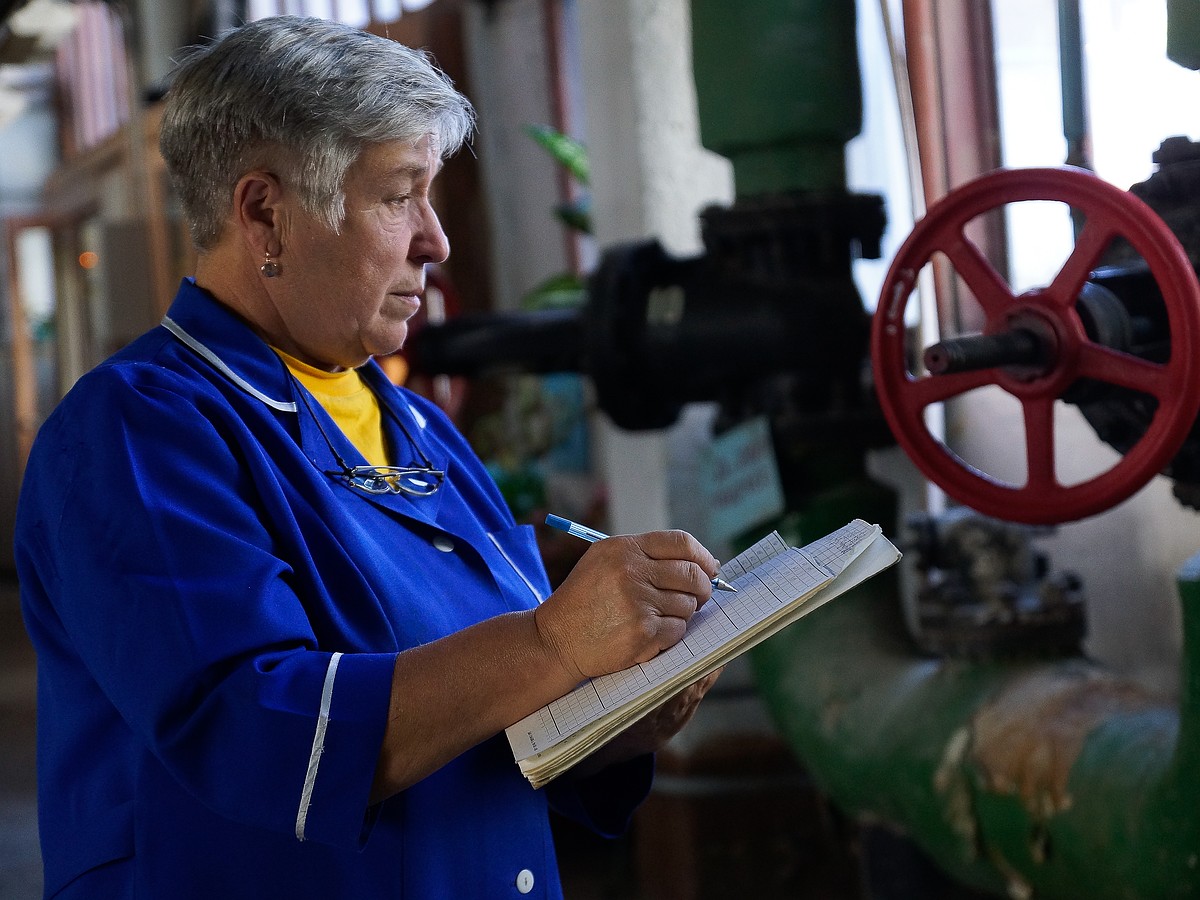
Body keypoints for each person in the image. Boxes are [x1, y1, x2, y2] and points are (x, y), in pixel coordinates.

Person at [15, 16, 723, 899]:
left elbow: (491, 717)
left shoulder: (424, 433)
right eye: (400, 195)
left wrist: (620, 707)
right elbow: (252, 730)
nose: (437, 239)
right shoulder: (136, 432)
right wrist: (551, 641)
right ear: (265, 212)